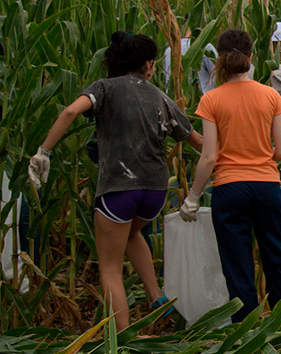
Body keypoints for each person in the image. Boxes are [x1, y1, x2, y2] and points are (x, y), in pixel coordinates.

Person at [28, 32, 202, 330]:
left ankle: (122, 339)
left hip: (118, 188)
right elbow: (196, 140)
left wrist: (43, 152)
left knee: (109, 269)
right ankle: (156, 296)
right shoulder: (159, 95)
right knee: (131, 234)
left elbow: (71, 110)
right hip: (155, 191)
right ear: (147, 63)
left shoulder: (104, 88)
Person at [181, 29, 281, 323]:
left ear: (219, 61)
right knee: (277, 261)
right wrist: (259, 160)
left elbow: (209, 156)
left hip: (229, 188)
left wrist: (193, 197)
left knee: (237, 266)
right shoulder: (271, 95)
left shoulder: (211, 99)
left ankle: (245, 332)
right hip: (267, 187)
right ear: (250, 58)